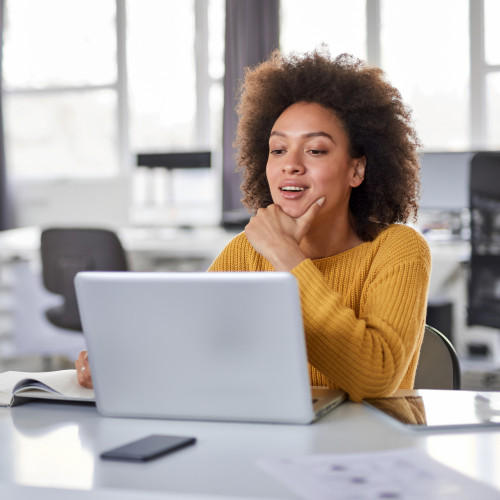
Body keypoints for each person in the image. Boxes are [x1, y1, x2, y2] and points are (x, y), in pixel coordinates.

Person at [76, 49, 431, 402]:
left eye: (316, 150)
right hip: (272, 445)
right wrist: (122, 361)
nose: (290, 165)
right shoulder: (246, 252)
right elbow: (190, 342)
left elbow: (374, 379)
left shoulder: (398, 248)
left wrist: (286, 256)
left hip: (368, 451)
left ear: (356, 170)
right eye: (278, 150)